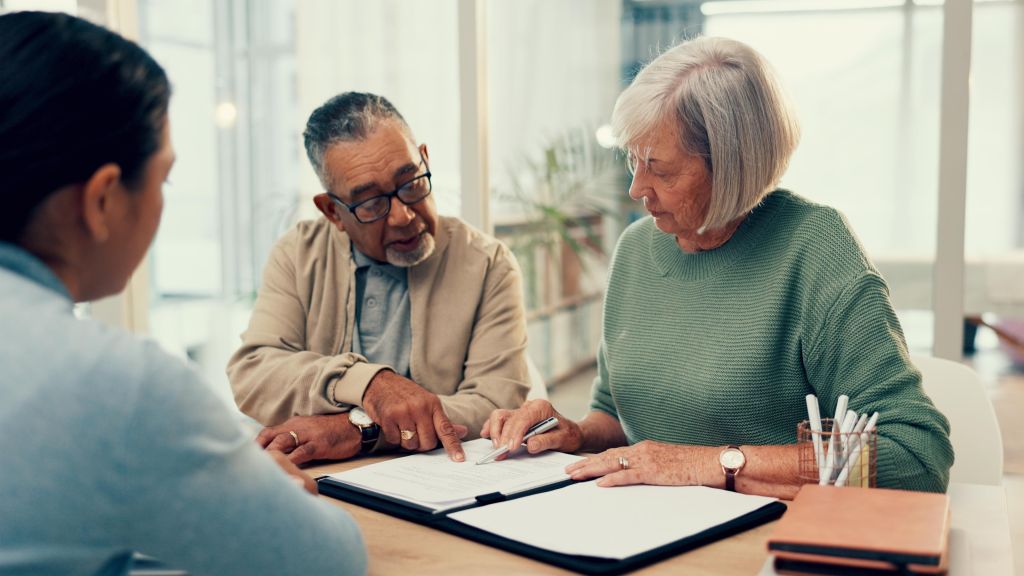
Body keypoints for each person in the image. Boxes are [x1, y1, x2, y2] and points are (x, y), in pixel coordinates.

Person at [483, 36, 953, 497]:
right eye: (633, 161)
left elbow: (915, 454)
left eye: (660, 169)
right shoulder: (636, 249)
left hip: (763, 532)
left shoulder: (814, 248)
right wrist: (574, 433)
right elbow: (619, 414)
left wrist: (708, 465)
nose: (636, 188)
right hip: (645, 523)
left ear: (732, 166)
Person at [0, 12, 366, 575]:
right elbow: (327, 562)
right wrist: (256, 488)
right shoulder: (116, 383)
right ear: (101, 201)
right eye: (163, 178)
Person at [227, 92, 529, 465]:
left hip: (440, 476)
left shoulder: (488, 263)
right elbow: (255, 372)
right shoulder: (298, 253)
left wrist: (358, 430)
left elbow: (495, 404)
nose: (403, 216)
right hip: (317, 475)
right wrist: (369, 384)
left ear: (425, 159)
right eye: (371, 204)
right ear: (333, 212)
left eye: (411, 183)